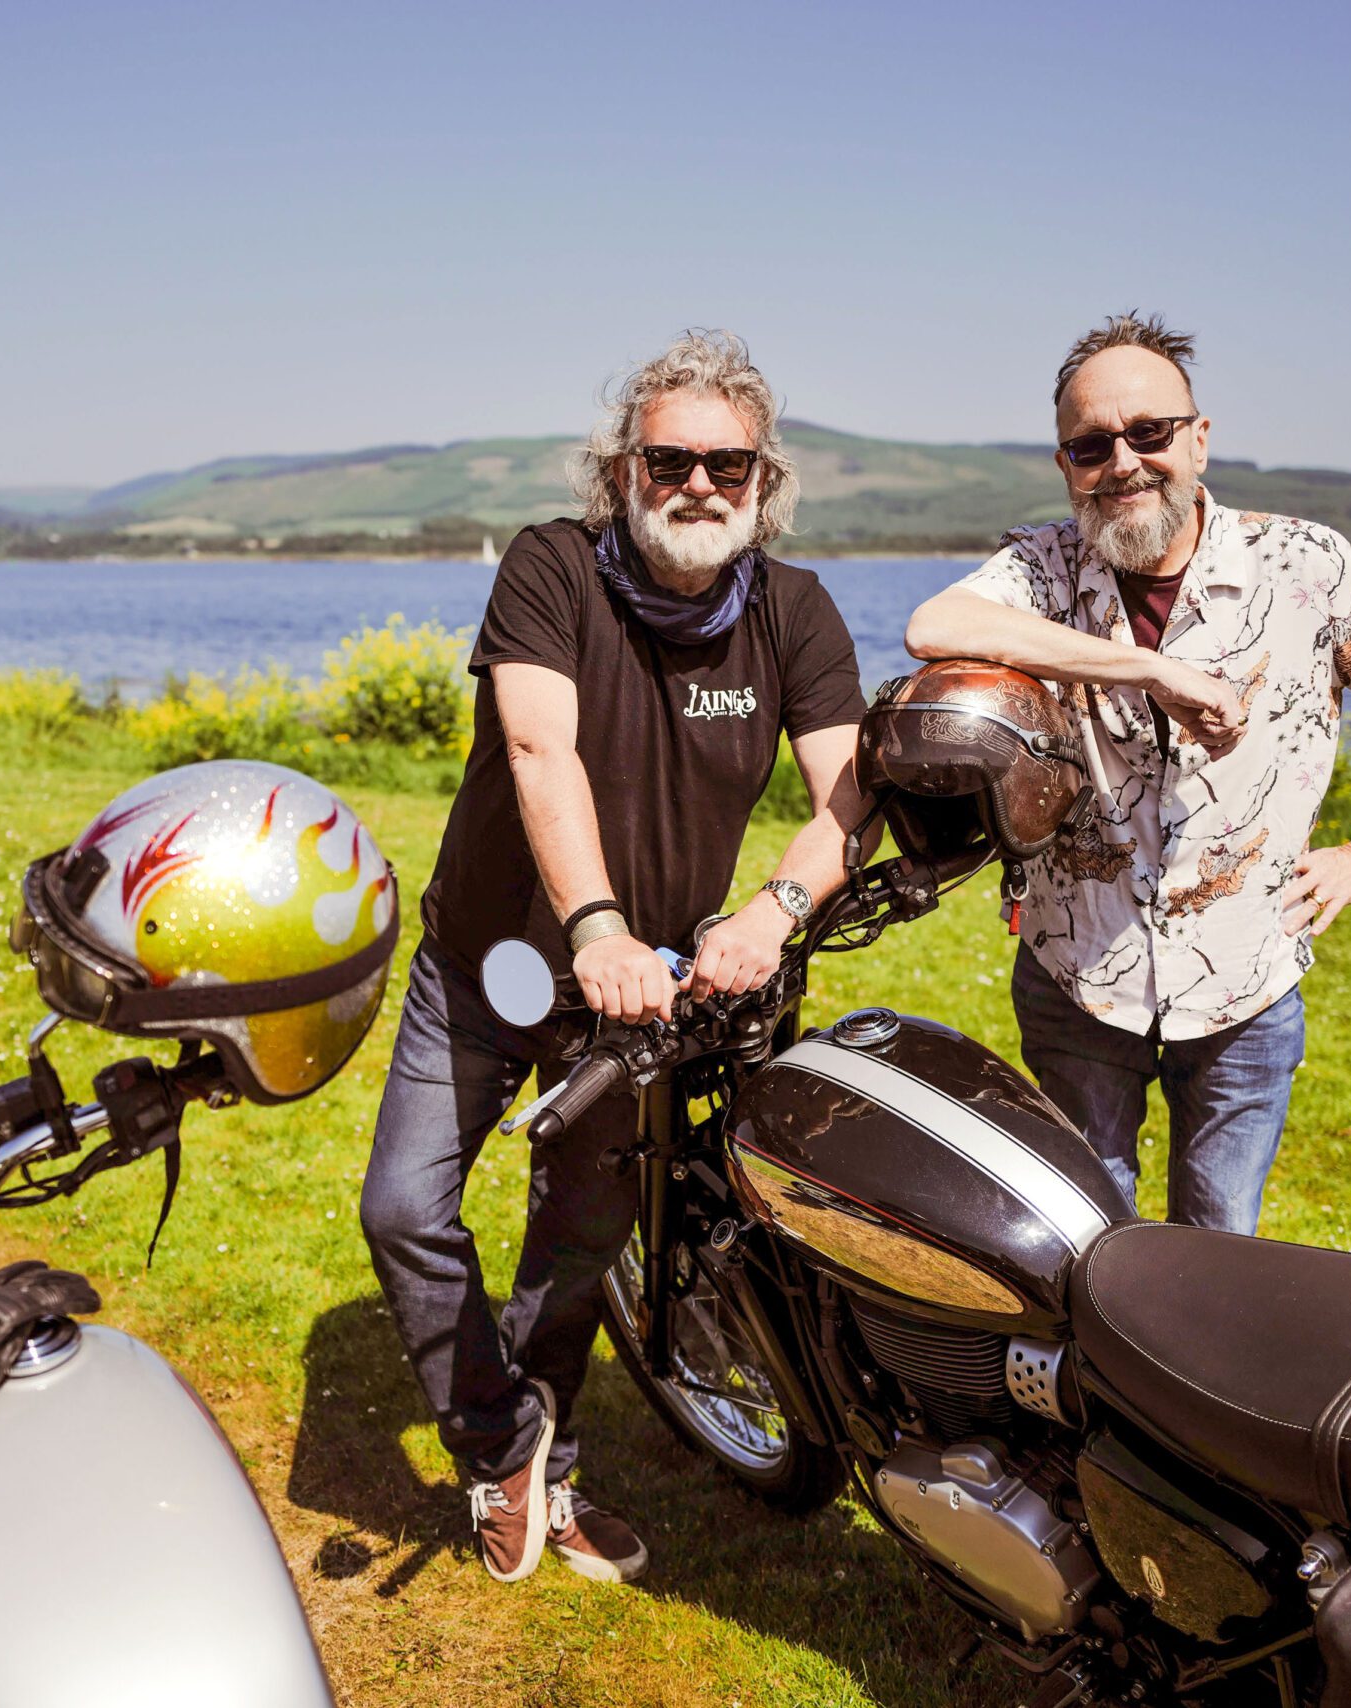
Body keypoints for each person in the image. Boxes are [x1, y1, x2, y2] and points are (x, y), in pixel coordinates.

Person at [359, 330, 869, 1584]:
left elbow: (849, 797)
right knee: (402, 1207)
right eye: (670, 458)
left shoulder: (794, 612)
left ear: (764, 483)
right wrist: (592, 923)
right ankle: (503, 1442)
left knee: (575, 1243)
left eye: (728, 465)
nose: (700, 484)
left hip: (647, 1003)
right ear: (622, 468)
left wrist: (771, 911)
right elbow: (541, 750)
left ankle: (547, 1462)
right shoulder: (552, 569)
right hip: (499, 962)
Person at [903, 312, 1351, 1232]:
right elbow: (933, 626)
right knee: (1079, 1236)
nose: (1125, 463)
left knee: (1218, 1254)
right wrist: (1148, 667)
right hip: (1077, 979)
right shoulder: (1043, 566)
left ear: (1199, 440)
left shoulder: (1303, 564)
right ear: (1066, 466)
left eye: (1150, 433)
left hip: (1245, 987)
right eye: (1092, 445)